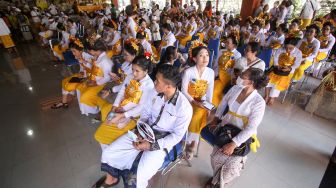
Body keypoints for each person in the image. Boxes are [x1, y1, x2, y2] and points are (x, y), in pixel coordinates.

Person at [92, 64, 192, 188]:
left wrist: (151, 145)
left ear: (168, 87)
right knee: (109, 153)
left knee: (138, 177)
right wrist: (140, 132)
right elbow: (145, 114)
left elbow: (176, 136)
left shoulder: (184, 108)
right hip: (143, 132)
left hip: (162, 142)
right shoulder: (154, 93)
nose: (154, 82)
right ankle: (112, 178)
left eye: (157, 81)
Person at [205, 68, 267, 188]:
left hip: (241, 136)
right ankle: (215, 178)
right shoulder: (235, 89)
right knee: (216, 157)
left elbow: (251, 128)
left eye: (243, 75)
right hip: (225, 128)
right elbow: (223, 103)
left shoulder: (258, 102)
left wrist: (234, 143)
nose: (240, 76)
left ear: (251, 82)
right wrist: (216, 118)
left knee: (231, 166)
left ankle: (222, 183)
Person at [95, 55, 154, 150]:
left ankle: (111, 149)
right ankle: (108, 148)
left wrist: (124, 114)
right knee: (107, 121)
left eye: (137, 71)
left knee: (110, 128)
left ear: (146, 71)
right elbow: (122, 91)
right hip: (122, 107)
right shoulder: (130, 76)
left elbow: (141, 107)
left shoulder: (149, 85)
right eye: (132, 69)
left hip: (133, 115)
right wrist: (115, 106)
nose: (134, 73)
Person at [182, 44, 215, 159]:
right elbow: (183, 90)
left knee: (196, 117)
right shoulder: (189, 72)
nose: (205, 58)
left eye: (207, 55)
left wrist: (209, 107)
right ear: (195, 58)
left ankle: (191, 145)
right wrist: (193, 101)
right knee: (185, 115)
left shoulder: (210, 72)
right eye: (201, 55)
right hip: (188, 100)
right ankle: (183, 140)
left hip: (202, 102)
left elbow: (210, 91)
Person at [51, 38, 93, 109]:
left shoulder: (88, 57)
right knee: (64, 81)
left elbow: (94, 70)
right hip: (82, 75)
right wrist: (80, 72)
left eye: (74, 51)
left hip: (89, 78)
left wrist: (84, 62)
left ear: (81, 50)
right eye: (72, 51)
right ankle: (64, 102)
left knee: (67, 86)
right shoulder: (79, 56)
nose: (73, 54)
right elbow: (81, 68)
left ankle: (65, 101)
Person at [76, 39, 113, 116]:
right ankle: (86, 110)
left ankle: (95, 110)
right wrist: (84, 62)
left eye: (91, 51)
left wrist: (96, 83)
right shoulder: (98, 57)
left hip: (101, 84)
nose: (89, 52)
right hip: (93, 80)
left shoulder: (105, 61)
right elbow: (93, 69)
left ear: (98, 50)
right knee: (79, 88)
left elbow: (107, 78)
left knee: (85, 96)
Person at [265, 37, 302, 105]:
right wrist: (276, 65)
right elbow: (275, 57)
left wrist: (289, 68)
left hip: (288, 71)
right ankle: (266, 95)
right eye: (286, 47)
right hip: (277, 68)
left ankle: (272, 97)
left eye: (290, 48)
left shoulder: (298, 52)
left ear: (295, 46)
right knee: (268, 78)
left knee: (279, 82)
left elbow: (297, 64)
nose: (288, 50)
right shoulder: (281, 48)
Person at [212, 35, 242, 107]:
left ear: (234, 45)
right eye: (225, 42)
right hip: (216, 73)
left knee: (214, 90)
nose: (225, 44)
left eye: (228, 43)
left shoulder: (237, 55)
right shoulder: (221, 51)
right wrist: (212, 74)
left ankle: (212, 106)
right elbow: (216, 64)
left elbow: (234, 70)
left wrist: (227, 80)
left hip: (226, 77)